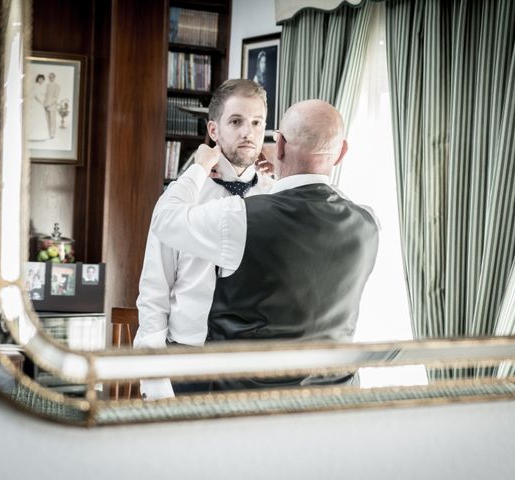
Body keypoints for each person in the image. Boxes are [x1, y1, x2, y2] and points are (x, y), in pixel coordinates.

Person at [151, 99, 379, 390]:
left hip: (247, 406)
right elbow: (325, 197)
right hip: (333, 402)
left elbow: (164, 219)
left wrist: (198, 168)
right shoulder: (368, 222)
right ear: (341, 153)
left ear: (279, 144)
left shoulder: (239, 216)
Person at [133, 79, 274, 400]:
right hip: (186, 355)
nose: (248, 133)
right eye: (236, 122)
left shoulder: (274, 196)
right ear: (214, 130)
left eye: (257, 122)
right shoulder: (183, 199)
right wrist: (153, 374)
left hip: (252, 361)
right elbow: (155, 285)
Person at [28, 74, 49, 142]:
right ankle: (33, 137)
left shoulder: (43, 86)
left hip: (41, 104)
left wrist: (44, 102)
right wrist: (41, 103)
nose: (41, 80)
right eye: (40, 79)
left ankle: (41, 137)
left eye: (42, 79)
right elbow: (35, 96)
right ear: (37, 79)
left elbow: (44, 95)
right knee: (35, 119)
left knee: (41, 119)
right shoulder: (35, 85)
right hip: (36, 104)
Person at [44, 72, 60, 139]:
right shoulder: (47, 85)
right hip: (46, 106)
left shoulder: (57, 86)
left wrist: (49, 104)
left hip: (52, 106)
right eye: (50, 77)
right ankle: (48, 134)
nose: (51, 78)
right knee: (47, 120)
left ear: (54, 77)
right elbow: (45, 96)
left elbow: (56, 98)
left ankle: (52, 134)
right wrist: (45, 104)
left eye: (52, 77)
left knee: (52, 121)